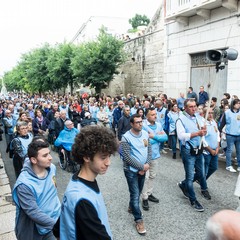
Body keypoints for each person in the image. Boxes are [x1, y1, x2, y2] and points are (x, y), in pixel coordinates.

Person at [58, 125, 118, 240]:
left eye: (109, 156)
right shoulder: (82, 199)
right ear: (86, 157)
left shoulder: (77, 180)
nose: (108, 162)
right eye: (103, 157)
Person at [12, 138, 61, 240]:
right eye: (45, 155)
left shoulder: (52, 168)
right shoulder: (24, 184)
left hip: (57, 219)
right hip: (40, 229)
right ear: (34, 160)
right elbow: (34, 212)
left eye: (49, 153)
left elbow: (53, 191)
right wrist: (58, 225)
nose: (50, 158)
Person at [120, 114, 151, 235]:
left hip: (143, 169)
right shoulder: (126, 137)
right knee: (135, 194)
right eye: (137, 122)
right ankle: (138, 220)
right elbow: (127, 157)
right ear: (132, 124)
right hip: (131, 171)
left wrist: (147, 164)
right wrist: (141, 167)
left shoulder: (145, 133)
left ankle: (131, 207)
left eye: (141, 122)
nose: (140, 124)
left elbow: (149, 149)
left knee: (136, 192)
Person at [176, 99, 207, 212]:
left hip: (199, 150)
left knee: (201, 174)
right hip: (188, 151)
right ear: (185, 107)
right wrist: (197, 134)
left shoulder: (198, 117)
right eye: (191, 107)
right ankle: (193, 200)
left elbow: (202, 132)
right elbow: (181, 136)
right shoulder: (180, 119)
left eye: (195, 106)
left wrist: (204, 131)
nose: (194, 108)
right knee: (190, 177)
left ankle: (183, 185)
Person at [141, 108, 168, 211]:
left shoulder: (159, 125)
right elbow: (145, 141)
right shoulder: (143, 126)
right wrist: (157, 138)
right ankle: (144, 198)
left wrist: (154, 137)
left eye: (155, 114)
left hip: (155, 155)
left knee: (152, 176)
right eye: (152, 114)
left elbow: (165, 138)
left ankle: (149, 193)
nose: (155, 116)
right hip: (145, 157)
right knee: (145, 178)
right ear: (147, 116)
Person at [201, 107, 220, 199]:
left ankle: (202, 180)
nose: (211, 115)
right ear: (204, 114)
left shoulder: (214, 123)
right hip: (206, 151)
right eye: (209, 113)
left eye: (212, 113)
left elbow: (218, 135)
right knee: (204, 169)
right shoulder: (203, 124)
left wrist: (217, 147)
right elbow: (203, 140)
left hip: (214, 149)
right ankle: (204, 189)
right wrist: (210, 150)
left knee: (214, 167)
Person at [219, 98, 240, 173]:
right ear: (233, 104)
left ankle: (239, 166)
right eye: (237, 103)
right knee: (229, 151)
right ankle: (228, 165)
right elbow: (222, 123)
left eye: (239, 103)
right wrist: (219, 131)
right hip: (230, 135)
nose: (239, 104)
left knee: (239, 151)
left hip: (238, 135)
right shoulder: (227, 112)